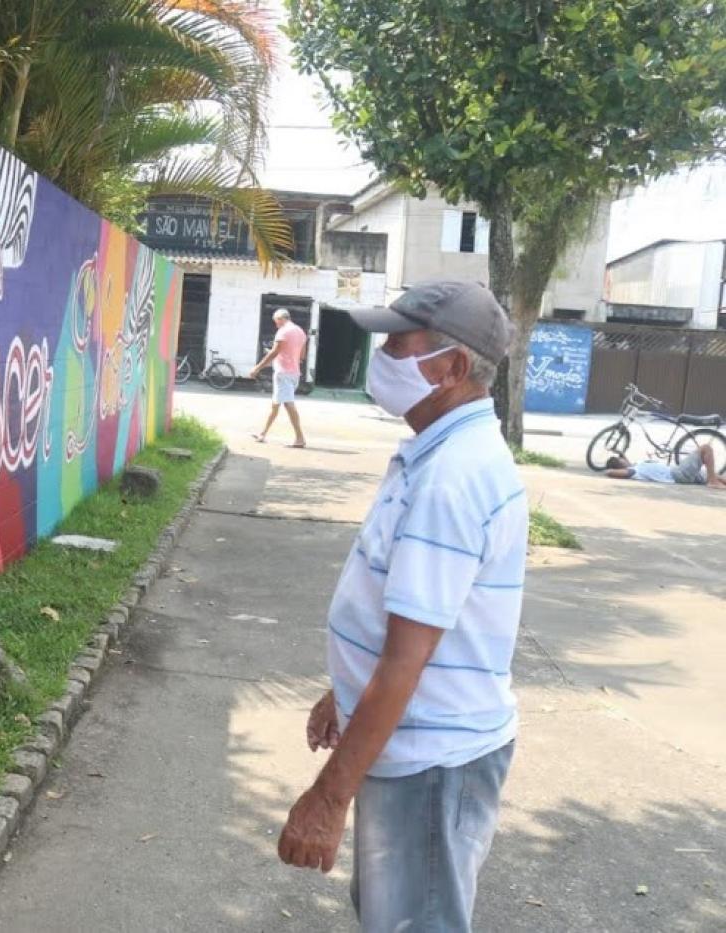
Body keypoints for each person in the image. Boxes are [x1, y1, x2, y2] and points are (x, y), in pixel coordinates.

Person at [278, 281, 526, 933]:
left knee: (413, 922)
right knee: (395, 915)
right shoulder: (435, 449)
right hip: (416, 745)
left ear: (452, 367)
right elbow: (409, 620)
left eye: (399, 342)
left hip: (432, 760)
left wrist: (328, 797)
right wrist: (348, 692)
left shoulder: (453, 477)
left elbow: (406, 659)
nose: (382, 353)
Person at [250, 309, 308, 448]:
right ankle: (262, 434)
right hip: (294, 373)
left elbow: (274, 352)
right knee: (275, 405)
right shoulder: (300, 331)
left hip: (283, 373)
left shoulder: (283, 331)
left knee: (288, 404)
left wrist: (257, 368)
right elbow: (302, 356)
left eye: (276, 322)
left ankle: (300, 438)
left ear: (281, 319)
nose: (276, 325)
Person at [605, 448, 726, 489]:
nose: (624, 458)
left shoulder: (637, 464)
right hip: (677, 474)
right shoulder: (634, 471)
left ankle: (713, 479)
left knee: (714, 474)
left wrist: (620, 453)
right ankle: (712, 482)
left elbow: (625, 460)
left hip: (678, 472)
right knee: (705, 448)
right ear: (621, 464)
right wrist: (610, 470)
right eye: (621, 459)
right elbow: (612, 472)